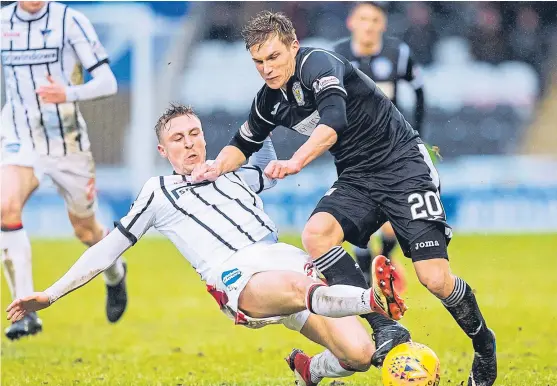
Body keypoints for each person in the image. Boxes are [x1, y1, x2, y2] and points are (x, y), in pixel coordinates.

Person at [193, 10, 497, 386]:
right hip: (357, 177)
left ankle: (484, 345)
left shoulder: (318, 63)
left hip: (403, 166)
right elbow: (242, 143)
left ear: (293, 46)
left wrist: (295, 162)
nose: (266, 69)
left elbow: (333, 121)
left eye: (273, 57)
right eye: (257, 61)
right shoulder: (268, 100)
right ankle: (386, 327)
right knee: (316, 234)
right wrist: (215, 168)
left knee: (434, 279)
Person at [6, 104, 402, 386]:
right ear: (163, 151)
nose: (189, 143)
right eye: (177, 139)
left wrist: (264, 107)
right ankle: (375, 301)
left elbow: (262, 145)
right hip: (237, 276)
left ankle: (309, 371)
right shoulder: (158, 192)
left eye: (194, 133)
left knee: (360, 355)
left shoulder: (234, 173)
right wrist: (52, 294)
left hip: (286, 261)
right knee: (305, 288)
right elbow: (107, 249)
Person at [1, 1, 127, 340]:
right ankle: (25, 314)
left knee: (86, 231)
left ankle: (115, 274)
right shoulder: (2, 21)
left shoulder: (71, 21)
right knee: (5, 208)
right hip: (19, 136)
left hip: (67, 142)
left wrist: (67, 93)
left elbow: (107, 82)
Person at [333, 2, 427, 289]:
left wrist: (417, 134)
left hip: (392, 148)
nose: (369, 25)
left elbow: (420, 90)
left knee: (392, 217)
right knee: (355, 210)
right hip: (352, 149)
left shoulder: (398, 54)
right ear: (351, 22)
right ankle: (365, 272)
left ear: (383, 25)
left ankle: (380, 263)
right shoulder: (337, 55)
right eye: (363, 19)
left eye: (375, 19)